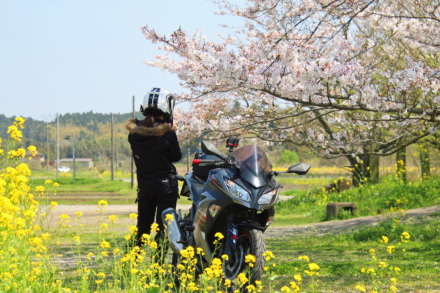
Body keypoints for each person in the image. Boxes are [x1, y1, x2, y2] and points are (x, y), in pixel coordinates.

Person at [125, 87, 182, 258]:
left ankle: (130, 262)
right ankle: (157, 267)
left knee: (142, 227)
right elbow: (176, 156)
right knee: (163, 229)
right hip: (166, 187)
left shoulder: (134, 133)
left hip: (145, 187)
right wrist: (172, 132)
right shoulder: (168, 133)